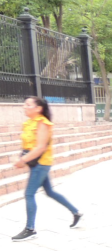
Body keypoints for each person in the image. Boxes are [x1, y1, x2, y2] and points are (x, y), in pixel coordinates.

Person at [12, 97, 82, 242]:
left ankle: (30, 229)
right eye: (25, 104)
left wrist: (22, 160)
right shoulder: (28, 123)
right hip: (35, 163)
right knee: (50, 192)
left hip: (41, 163)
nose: (24, 106)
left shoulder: (43, 123)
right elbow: (29, 145)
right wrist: (22, 157)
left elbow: (41, 147)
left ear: (38, 108)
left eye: (28, 104)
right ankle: (76, 212)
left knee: (29, 194)